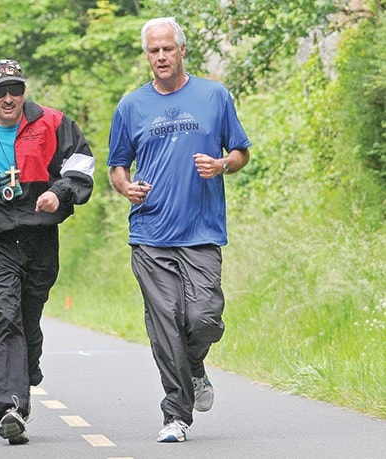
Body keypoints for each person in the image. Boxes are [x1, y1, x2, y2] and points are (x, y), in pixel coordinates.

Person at [107, 17, 251, 443]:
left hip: (202, 231)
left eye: (167, 48)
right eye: (153, 51)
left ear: (182, 50)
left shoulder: (214, 95)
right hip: (150, 234)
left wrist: (222, 164)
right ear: (146, 55)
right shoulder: (131, 106)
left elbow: (241, 152)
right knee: (166, 323)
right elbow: (117, 165)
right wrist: (126, 188)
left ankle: (194, 365)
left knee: (204, 318)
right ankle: (176, 415)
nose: (161, 57)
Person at [0, 58, 95, 445]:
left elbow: (82, 165)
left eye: (15, 89)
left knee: (27, 317)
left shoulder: (54, 123)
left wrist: (58, 194)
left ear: (24, 90)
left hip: (39, 236)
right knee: (2, 316)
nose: (9, 98)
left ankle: (26, 365)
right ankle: (11, 408)